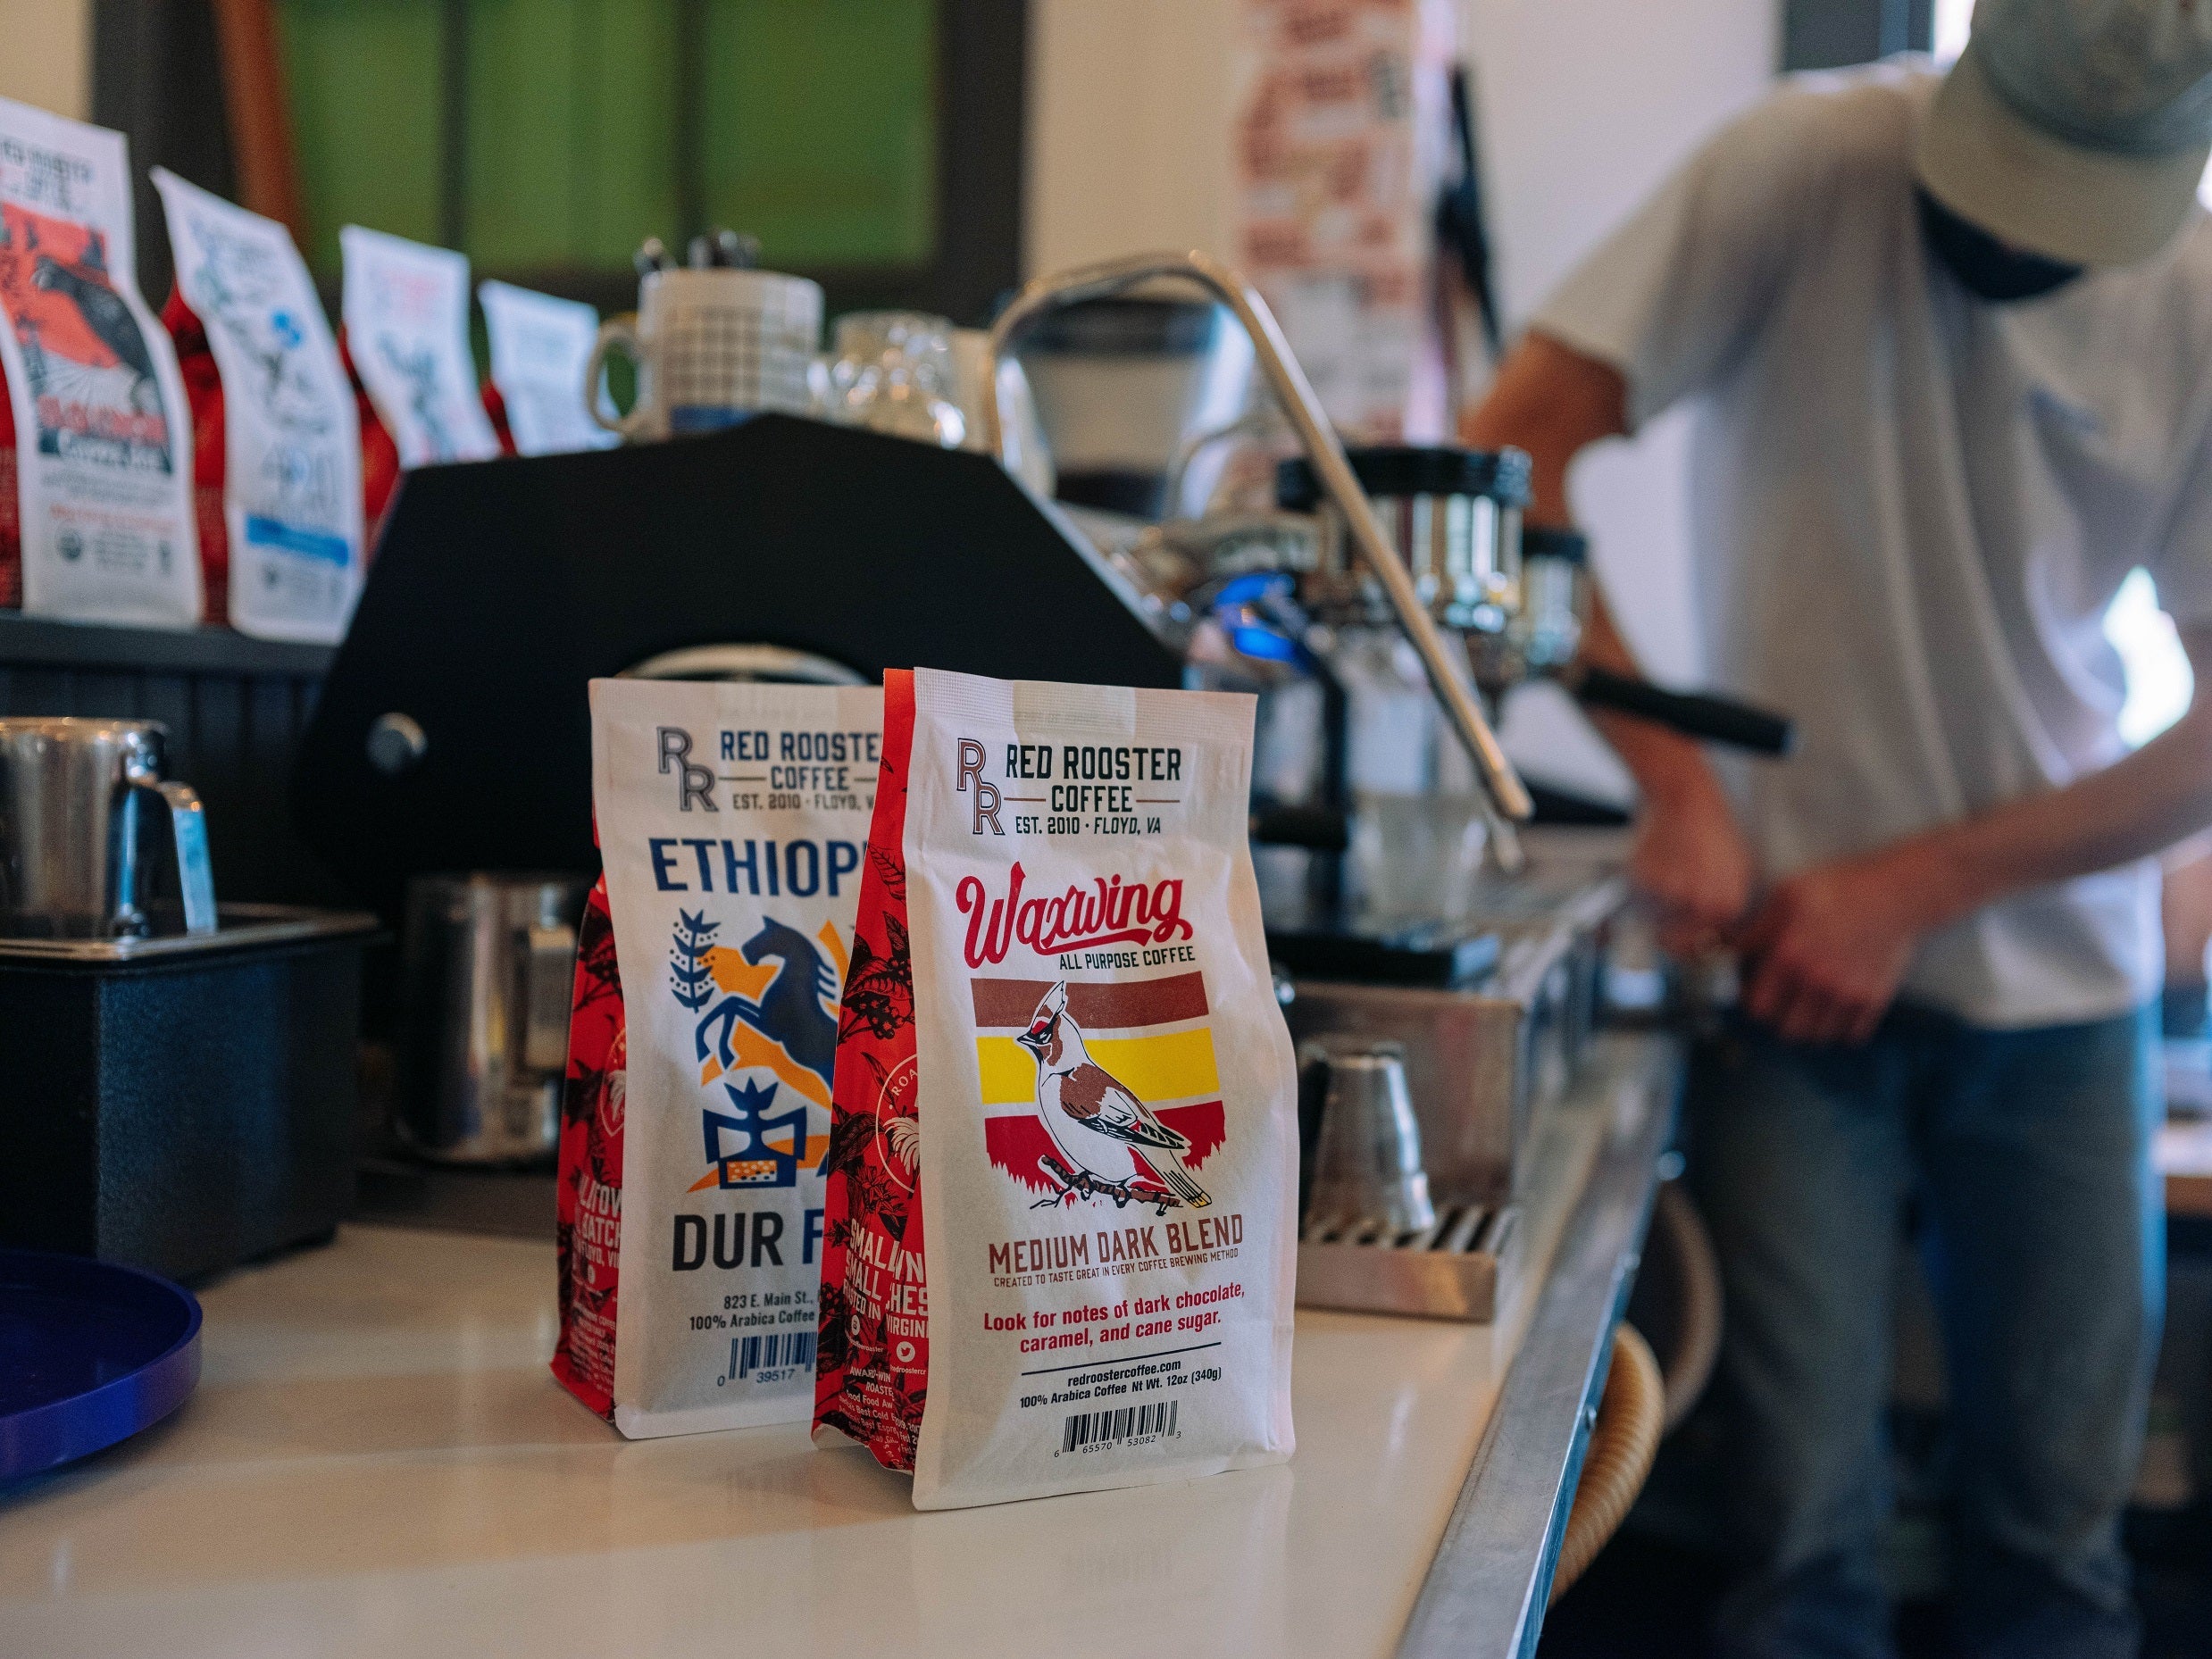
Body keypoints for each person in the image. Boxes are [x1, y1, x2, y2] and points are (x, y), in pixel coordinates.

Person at [1463, 3, 2212, 1655]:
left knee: (2059, 1552)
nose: (2015, 238)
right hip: (1783, 994)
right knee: (1796, 1549)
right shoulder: (1798, 167)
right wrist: (1675, 783)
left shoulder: (2195, 305)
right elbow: (1506, 457)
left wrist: (1902, 889)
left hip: (2062, 1001)